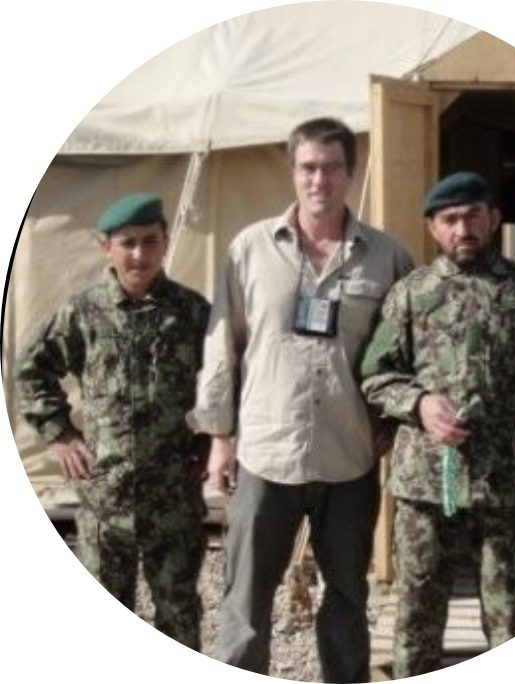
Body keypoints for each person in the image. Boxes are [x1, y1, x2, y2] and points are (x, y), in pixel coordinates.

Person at [187, 117, 413, 682]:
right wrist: (219, 437)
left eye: (332, 167)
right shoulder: (250, 249)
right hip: (266, 452)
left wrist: (395, 422)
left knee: (346, 597)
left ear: (349, 172)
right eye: (309, 167)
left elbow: (410, 349)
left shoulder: (387, 257)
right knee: (245, 601)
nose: (320, 180)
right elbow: (223, 344)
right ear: (292, 171)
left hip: (349, 455)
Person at [360, 171, 515, 678]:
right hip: (426, 485)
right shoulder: (410, 294)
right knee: (417, 613)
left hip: (504, 485)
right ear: (432, 228)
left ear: (492, 219)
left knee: (508, 615)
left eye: (472, 215)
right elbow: (375, 374)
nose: (462, 227)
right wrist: (421, 403)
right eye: (449, 219)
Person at [15, 192, 210, 650]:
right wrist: (59, 434)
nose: (139, 254)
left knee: (179, 616)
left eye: (149, 241)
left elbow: (225, 382)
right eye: (128, 243)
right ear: (107, 247)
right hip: (106, 496)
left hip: (174, 497)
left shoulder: (191, 313)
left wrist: (212, 441)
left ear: (164, 243)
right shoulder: (83, 314)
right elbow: (30, 368)